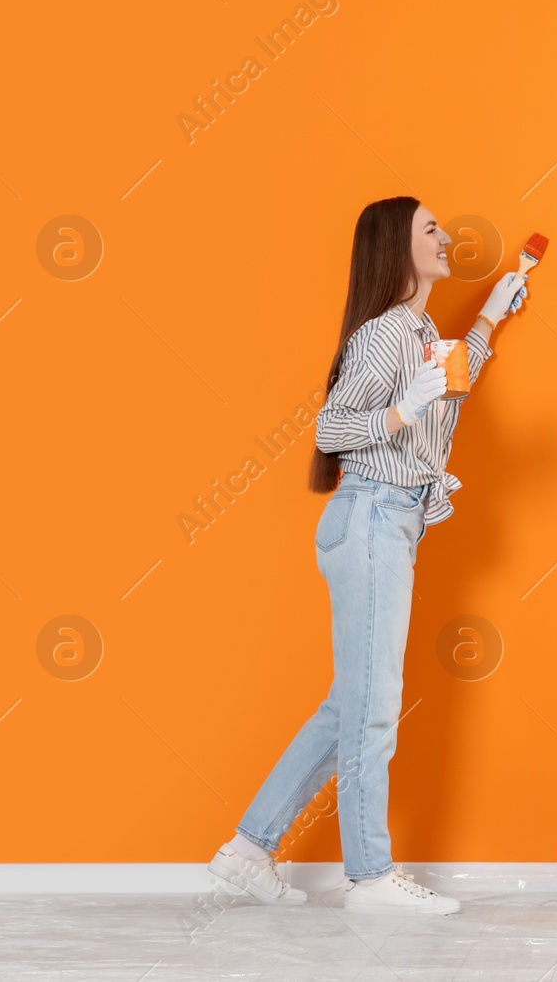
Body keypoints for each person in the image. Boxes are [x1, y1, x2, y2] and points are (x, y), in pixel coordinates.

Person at [205, 195, 531, 911]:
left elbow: (450, 381)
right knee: (374, 707)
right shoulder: (386, 335)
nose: (447, 237)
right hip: (375, 517)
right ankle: (371, 878)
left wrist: (490, 315)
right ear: (395, 246)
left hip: (389, 521)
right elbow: (329, 426)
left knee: (348, 705)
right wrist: (397, 411)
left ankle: (247, 848)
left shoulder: (419, 334)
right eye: (431, 229)